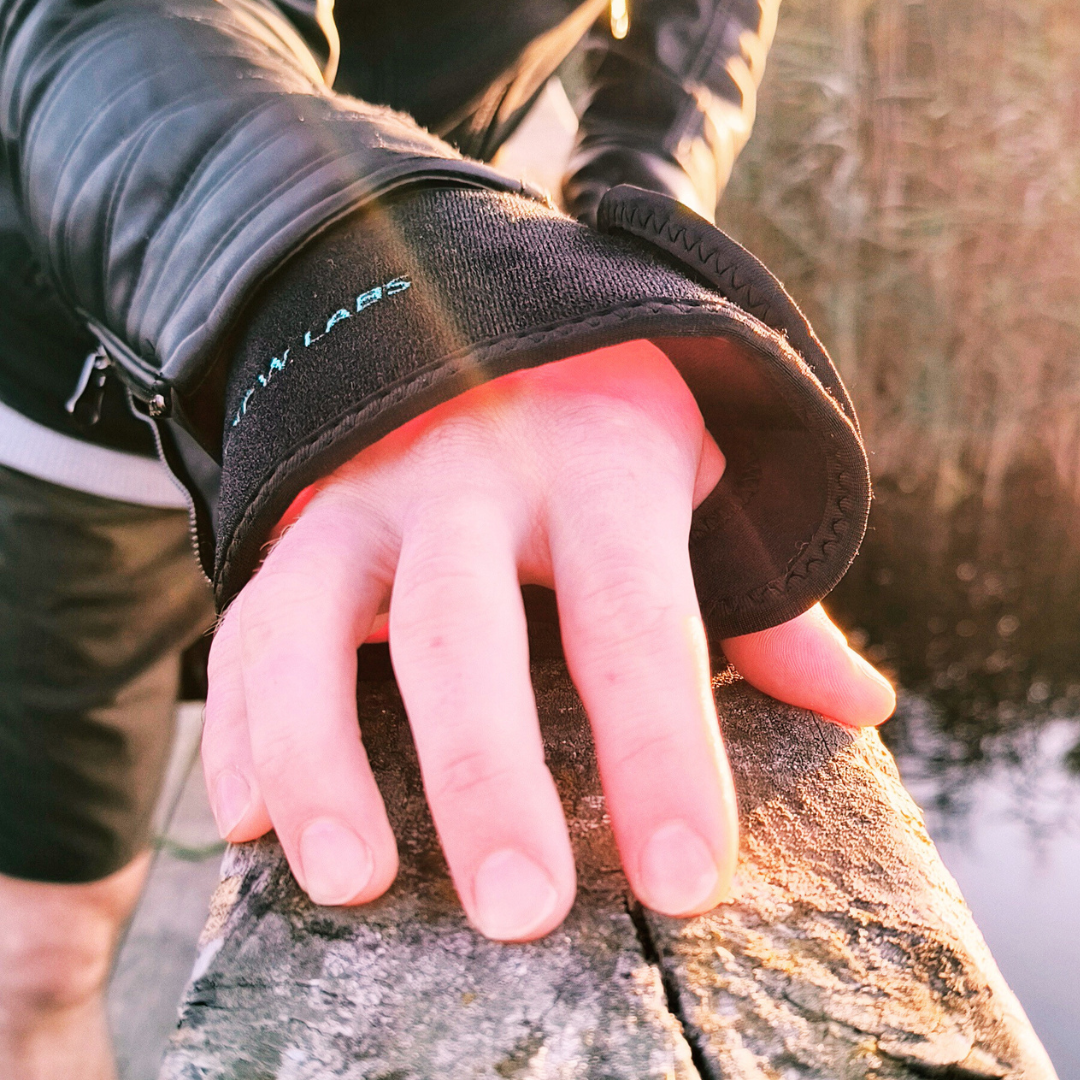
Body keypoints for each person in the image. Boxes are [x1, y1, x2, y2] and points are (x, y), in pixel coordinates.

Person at [0, 0, 895, 1076]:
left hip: (433, 343)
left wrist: (624, 229)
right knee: (34, 960)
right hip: (75, 411)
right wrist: (348, 277)